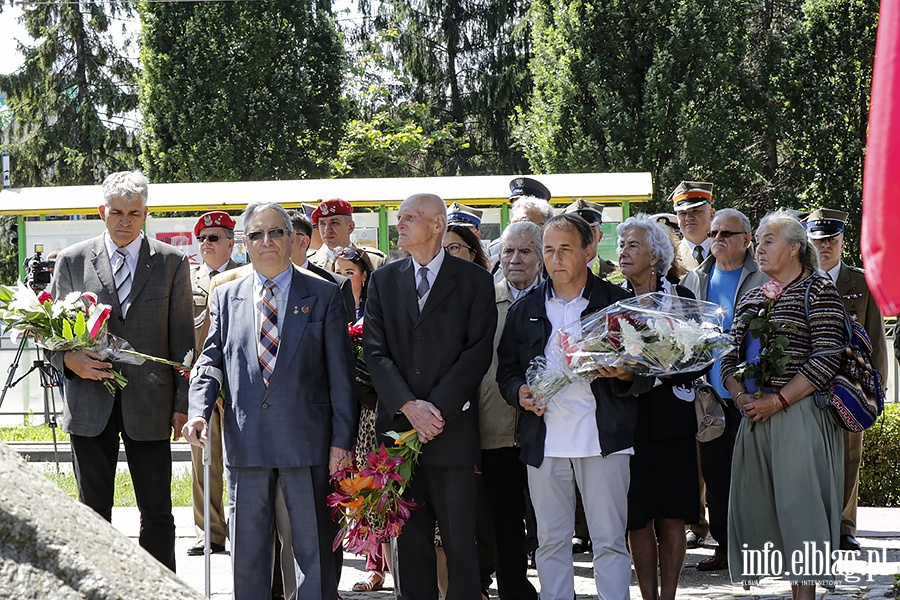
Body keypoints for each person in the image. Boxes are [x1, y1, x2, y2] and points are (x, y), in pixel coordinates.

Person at [184, 202, 356, 600]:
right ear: (244, 242)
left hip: (307, 445)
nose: (266, 241)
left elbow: (341, 377)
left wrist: (342, 441)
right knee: (247, 556)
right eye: (256, 234)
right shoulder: (225, 296)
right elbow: (210, 361)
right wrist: (198, 411)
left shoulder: (325, 295)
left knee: (312, 556)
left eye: (275, 232)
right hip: (247, 447)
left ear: (294, 239)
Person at [496, 213, 654, 600]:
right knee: (549, 543)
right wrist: (520, 393)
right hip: (544, 443)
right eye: (548, 250)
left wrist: (623, 373)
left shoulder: (617, 303)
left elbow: (650, 368)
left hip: (605, 440)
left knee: (610, 541)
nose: (555, 258)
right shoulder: (524, 308)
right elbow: (508, 373)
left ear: (588, 251)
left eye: (565, 248)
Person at [48, 170, 193, 570]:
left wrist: (183, 404)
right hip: (90, 406)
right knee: (92, 513)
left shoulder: (172, 262)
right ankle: (98, 586)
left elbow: (183, 342)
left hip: (152, 405)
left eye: (134, 212)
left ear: (146, 213)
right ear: (102, 212)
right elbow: (50, 336)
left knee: (159, 514)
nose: (125, 221)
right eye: (116, 212)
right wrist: (69, 361)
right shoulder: (73, 260)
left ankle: (161, 591)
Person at [363, 193, 497, 600]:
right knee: (408, 541)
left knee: (460, 540)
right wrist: (409, 406)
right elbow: (375, 350)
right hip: (398, 435)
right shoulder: (385, 280)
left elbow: (477, 351)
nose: (399, 224)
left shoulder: (473, 280)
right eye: (399, 217)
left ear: (438, 224)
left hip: (449, 432)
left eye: (410, 217)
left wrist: (434, 410)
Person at [722, 211, 846, 598]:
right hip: (754, 417)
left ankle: (804, 595)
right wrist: (741, 395)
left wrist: (778, 399)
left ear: (795, 247)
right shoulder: (753, 295)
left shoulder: (819, 291)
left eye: (768, 240)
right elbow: (728, 356)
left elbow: (828, 356)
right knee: (760, 509)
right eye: (757, 240)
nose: (759, 248)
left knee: (800, 511)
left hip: (799, 416)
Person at [617, 214, 703, 600]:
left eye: (633, 245)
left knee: (671, 513)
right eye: (622, 245)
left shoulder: (681, 298)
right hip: (629, 421)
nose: (623, 252)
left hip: (673, 420)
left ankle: (668, 596)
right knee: (637, 516)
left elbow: (699, 355)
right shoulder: (610, 300)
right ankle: (648, 596)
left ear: (655, 257)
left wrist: (664, 366)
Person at [680, 208, 769, 572]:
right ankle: (725, 548)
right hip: (709, 395)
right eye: (714, 233)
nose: (717, 239)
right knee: (716, 474)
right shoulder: (694, 279)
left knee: (755, 473)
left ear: (747, 239)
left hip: (755, 392)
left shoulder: (764, 276)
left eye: (726, 234)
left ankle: (761, 550)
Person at [806, 208, 888, 553]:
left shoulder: (861, 282)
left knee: (848, 456)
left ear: (842, 242)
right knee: (807, 456)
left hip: (849, 385)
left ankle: (843, 525)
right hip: (807, 383)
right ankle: (809, 522)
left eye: (831, 240)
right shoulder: (798, 279)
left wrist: (876, 388)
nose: (824, 246)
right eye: (818, 240)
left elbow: (876, 340)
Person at [478, 221, 542, 600]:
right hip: (495, 427)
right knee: (503, 519)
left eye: (525, 252)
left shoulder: (553, 299)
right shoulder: (484, 300)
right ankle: (514, 589)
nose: (515, 260)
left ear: (541, 257)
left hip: (546, 429)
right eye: (508, 252)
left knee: (548, 519)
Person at [187, 210, 242, 557]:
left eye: (214, 237)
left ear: (231, 242)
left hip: (237, 383)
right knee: (203, 459)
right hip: (200, 382)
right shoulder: (187, 280)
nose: (206, 244)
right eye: (202, 238)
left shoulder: (243, 275)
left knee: (237, 459)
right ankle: (209, 530)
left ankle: (240, 527)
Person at [288, 210, 357, 323]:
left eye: (284, 235)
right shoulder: (265, 284)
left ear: (304, 242)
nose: (274, 242)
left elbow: (347, 334)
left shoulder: (335, 284)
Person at [309, 198, 386, 271]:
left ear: (350, 227)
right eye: (322, 224)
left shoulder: (375, 261)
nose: (327, 230)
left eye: (334, 223)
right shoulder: (308, 264)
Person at [671, 181, 715, 270]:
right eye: (682, 213)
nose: (688, 218)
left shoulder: (729, 249)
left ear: (712, 214)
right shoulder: (672, 257)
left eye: (696, 211)